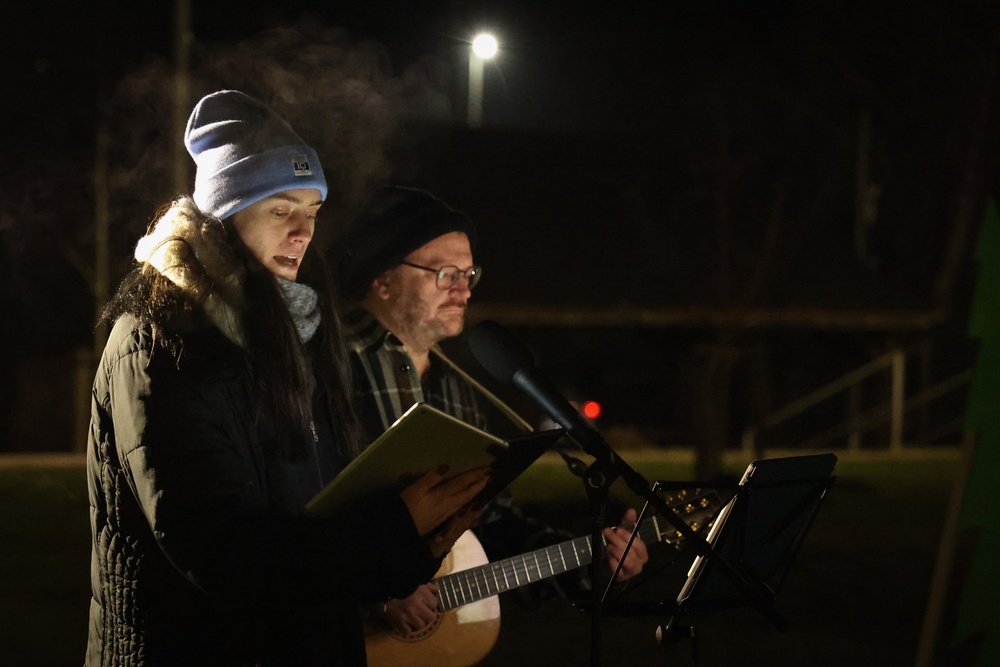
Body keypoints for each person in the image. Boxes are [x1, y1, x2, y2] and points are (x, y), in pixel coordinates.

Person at [85, 92, 489, 666]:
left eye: (312, 213)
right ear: (224, 214)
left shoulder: (300, 330)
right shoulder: (161, 343)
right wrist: (391, 533)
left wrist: (417, 536)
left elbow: (318, 509)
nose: (303, 232)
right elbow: (223, 554)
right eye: (281, 211)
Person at [336, 184, 649, 636]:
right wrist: (375, 591)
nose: (464, 291)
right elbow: (296, 517)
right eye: (446, 274)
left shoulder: (456, 389)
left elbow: (488, 527)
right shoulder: (325, 363)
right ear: (382, 278)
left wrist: (590, 563)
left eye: (469, 275)